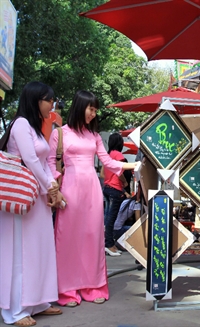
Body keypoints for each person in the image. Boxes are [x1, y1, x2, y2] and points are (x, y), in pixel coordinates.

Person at [47, 90, 139, 307]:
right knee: (67, 239)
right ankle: (67, 290)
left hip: (92, 190)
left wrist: (132, 165)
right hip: (68, 189)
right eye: (91, 108)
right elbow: (51, 163)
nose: (93, 113)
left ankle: (93, 286)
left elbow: (107, 161)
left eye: (95, 109)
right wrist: (55, 189)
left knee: (92, 237)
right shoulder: (60, 134)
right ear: (80, 107)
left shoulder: (94, 136)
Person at [0, 82, 64, 327]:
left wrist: (51, 186)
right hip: (23, 198)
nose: (52, 105)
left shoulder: (35, 128)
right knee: (20, 253)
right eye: (50, 100)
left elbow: (43, 161)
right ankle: (15, 311)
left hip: (38, 198)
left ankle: (36, 302)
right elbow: (29, 160)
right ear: (37, 100)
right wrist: (51, 185)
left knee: (38, 251)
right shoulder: (21, 124)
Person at [102, 133, 131, 256]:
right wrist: (124, 183)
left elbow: (102, 174)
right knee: (112, 219)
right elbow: (119, 169)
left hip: (107, 188)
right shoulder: (118, 155)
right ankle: (109, 244)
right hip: (115, 189)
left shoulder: (108, 155)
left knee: (107, 218)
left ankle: (107, 243)